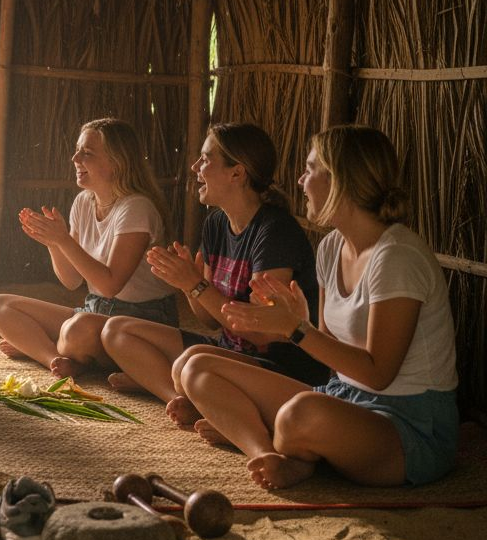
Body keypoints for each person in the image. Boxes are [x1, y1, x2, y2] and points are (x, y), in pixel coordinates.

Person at [179, 125, 457, 490]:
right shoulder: (330, 248)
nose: (299, 180)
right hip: (343, 399)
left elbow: (378, 375)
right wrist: (300, 322)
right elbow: (331, 355)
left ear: (341, 179)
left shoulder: (397, 257)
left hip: (408, 425)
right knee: (198, 367)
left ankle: (268, 434)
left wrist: (294, 328)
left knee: (299, 415)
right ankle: (268, 452)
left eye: (310, 170)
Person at [101, 123, 329, 427]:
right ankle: (181, 399)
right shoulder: (216, 224)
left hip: (277, 364)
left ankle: (205, 401)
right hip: (227, 350)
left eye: (206, 159)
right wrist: (186, 285)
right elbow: (208, 320)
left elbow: (262, 330)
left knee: (189, 362)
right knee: (116, 331)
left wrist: (196, 285)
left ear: (237, 173)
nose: (195, 167)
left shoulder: (275, 232)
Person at [0, 118, 176, 377]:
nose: (75, 158)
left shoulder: (137, 208)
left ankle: (57, 348)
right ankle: (54, 359)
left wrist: (64, 240)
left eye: (86, 153)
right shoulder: (84, 202)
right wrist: (54, 242)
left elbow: (110, 286)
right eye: (77, 150)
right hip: (94, 311)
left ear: (117, 162)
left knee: (77, 331)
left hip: (140, 323)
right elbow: (72, 281)